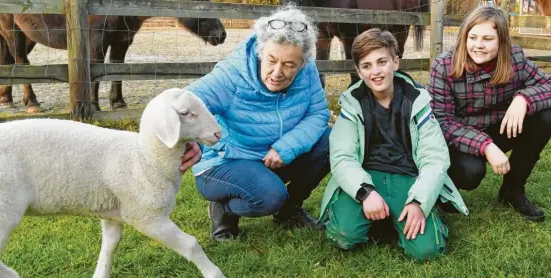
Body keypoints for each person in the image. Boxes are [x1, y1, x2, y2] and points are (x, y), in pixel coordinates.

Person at [179, 6, 331, 241]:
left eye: (289, 64)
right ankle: (224, 210)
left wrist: (286, 146)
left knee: (330, 141)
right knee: (270, 196)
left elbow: (318, 114)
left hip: (270, 156)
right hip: (225, 162)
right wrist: (188, 139)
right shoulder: (231, 74)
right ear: (261, 52)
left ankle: (288, 211)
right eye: (271, 60)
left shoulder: (308, 71)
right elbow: (182, 103)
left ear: (302, 62)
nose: (277, 72)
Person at [319, 28, 469, 261]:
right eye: (367, 66)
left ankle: (420, 216)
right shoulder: (352, 102)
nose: (376, 72)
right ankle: (371, 216)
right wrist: (365, 193)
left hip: (408, 178)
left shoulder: (417, 99)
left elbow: (435, 158)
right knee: (343, 236)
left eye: (382, 62)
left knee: (426, 251)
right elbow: (342, 157)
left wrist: (419, 201)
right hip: (367, 176)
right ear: (358, 71)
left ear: (395, 62)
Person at [428, 5, 551, 222]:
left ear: (501, 42)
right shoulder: (444, 66)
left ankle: (513, 190)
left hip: (498, 127)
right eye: (473, 37)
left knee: (544, 117)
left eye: (488, 39)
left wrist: (523, 99)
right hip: (459, 138)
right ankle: (445, 189)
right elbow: (442, 122)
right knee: (470, 173)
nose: (478, 45)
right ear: (464, 37)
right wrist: (485, 146)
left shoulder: (514, 58)